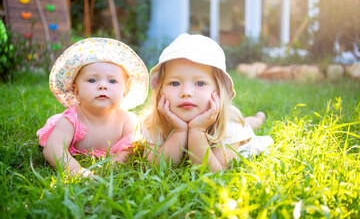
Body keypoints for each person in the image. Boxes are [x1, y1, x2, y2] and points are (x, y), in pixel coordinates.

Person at [142, 33, 273, 172]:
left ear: (218, 91)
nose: (186, 92)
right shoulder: (154, 122)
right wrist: (179, 131)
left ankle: (258, 119)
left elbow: (213, 171)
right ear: (161, 90)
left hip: (233, 125)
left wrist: (197, 131)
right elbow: (154, 167)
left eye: (200, 83)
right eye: (175, 83)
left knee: (248, 124)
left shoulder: (229, 125)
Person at [37, 38, 148, 177]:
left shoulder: (127, 121)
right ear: (76, 91)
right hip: (67, 128)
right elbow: (53, 147)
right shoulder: (71, 120)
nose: (102, 86)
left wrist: (115, 161)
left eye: (112, 81)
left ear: (125, 92)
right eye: (92, 80)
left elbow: (131, 149)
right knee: (57, 128)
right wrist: (75, 170)